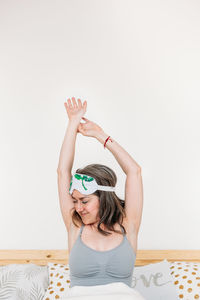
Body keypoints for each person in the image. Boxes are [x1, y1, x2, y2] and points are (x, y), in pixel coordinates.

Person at [57, 97, 143, 289]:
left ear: (103, 197)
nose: (78, 208)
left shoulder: (128, 225)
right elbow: (63, 172)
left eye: (84, 201)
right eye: (75, 200)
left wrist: (100, 135)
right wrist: (72, 125)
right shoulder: (75, 226)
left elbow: (134, 171)